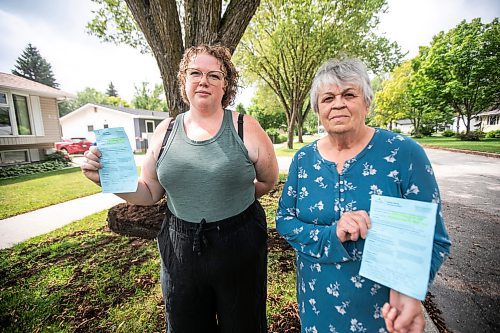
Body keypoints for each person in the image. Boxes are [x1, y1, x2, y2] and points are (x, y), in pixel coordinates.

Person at [82, 44, 278, 332]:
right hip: (180, 246)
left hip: (240, 244)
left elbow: (267, 181)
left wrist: (230, 203)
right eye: (195, 73)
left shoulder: (245, 127)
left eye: (214, 75)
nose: (203, 81)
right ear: (183, 81)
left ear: (226, 85)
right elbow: (149, 192)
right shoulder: (165, 131)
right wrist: (106, 179)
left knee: (244, 324)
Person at [275, 58, 451, 333]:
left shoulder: (403, 153)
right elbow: (285, 220)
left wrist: (408, 291)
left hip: (383, 314)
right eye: (328, 98)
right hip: (316, 306)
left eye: (349, 94)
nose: (338, 104)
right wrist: (332, 235)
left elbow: (435, 239)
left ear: (366, 103)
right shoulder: (303, 160)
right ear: (317, 110)